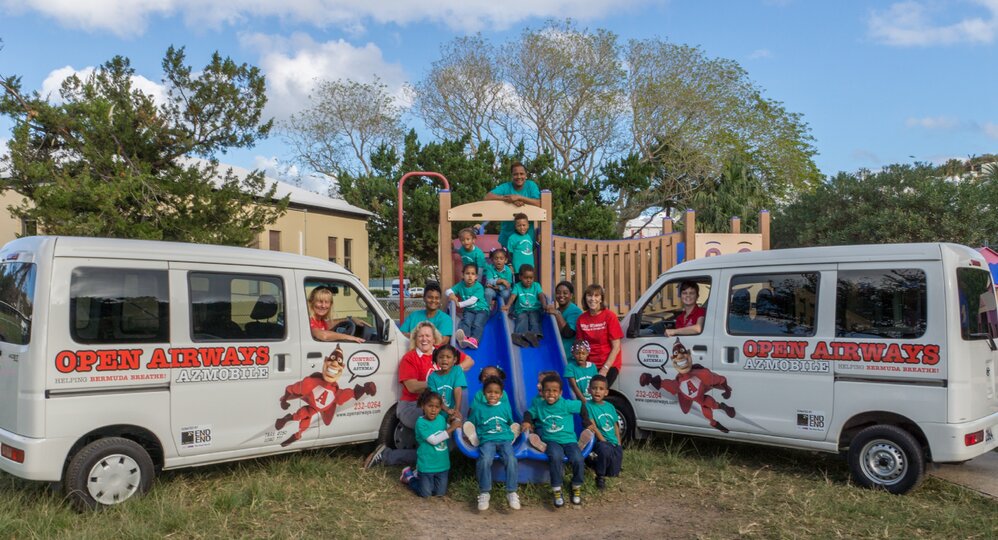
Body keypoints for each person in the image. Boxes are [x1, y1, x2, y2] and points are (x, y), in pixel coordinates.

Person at [365, 322, 441, 468]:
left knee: (440, 447)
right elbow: (412, 387)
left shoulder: (442, 353)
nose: (424, 339)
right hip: (412, 406)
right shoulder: (410, 358)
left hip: (436, 406)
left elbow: (468, 361)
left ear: (434, 338)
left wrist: (453, 373)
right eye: (420, 336)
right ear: (415, 339)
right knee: (437, 445)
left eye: (427, 336)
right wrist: (440, 380)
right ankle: (387, 456)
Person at [522, 373, 591, 508]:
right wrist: (527, 422)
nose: (551, 394)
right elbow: (529, 413)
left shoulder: (566, 404)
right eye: (547, 390)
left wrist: (586, 422)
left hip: (569, 440)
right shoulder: (540, 405)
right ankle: (557, 489)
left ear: (560, 392)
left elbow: (582, 406)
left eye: (554, 391)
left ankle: (576, 486)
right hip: (551, 440)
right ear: (542, 391)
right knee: (555, 456)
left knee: (578, 458)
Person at [467, 375, 521, 511]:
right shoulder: (479, 408)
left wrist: (511, 430)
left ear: (501, 394)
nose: (492, 395)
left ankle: (511, 492)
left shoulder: (504, 407)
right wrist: (468, 432)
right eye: (489, 392)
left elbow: (510, 422)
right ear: (484, 393)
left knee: (511, 459)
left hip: (504, 439)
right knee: (485, 459)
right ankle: (484, 492)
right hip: (487, 439)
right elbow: (471, 422)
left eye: (496, 392)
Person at [399, 391, 462, 498]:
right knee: (426, 494)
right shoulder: (421, 423)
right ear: (423, 406)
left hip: (442, 465)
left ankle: (422, 479)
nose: (433, 409)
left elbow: (447, 431)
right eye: (430, 406)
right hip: (427, 466)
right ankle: (410, 477)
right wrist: (452, 427)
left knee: (439, 493)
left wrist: (451, 422)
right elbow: (434, 440)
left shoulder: (441, 419)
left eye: (437, 407)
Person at [576, 284, 623, 387]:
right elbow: (581, 346)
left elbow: (616, 347)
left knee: (598, 393)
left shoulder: (610, 316)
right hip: (589, 364)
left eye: (596, 296)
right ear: (585, 298)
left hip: (608, 365)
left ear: (601, 298)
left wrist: (605, 369)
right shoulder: (581, 319)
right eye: (589, 295)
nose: (593, 299)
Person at [484, 161, 540, 248]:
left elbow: (539, 203)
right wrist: (507, 200)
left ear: (526, 175)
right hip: (508, 235)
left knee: (525, 261)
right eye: (515, 174)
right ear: (512, 175)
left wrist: (519, 197)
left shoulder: (531, 185)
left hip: (527, 237)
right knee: (508, 260)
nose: (519, 177)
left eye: (521, 174)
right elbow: (487, 197)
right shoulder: (506, 187)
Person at [583, 375, 623, 490]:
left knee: (613, 473)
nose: (597, 391)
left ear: (606, 392)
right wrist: (604, 441)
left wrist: (618, 443)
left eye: (601, 389)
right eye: (594, 388)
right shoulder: (588, 406)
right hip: (599, 441)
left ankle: (592, 462)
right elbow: (593, 426)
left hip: (613, 442)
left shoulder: (610, 406)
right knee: (605, 450)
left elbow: (615, 426)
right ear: (589, 390)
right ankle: (599, 477)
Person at [503, 264, 546, 348]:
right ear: (520, 277)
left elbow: (541, 296)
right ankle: (519, 335)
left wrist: (544, 305)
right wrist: (508, 305)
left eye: (531, 278)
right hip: (521, 310)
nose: (529, 280)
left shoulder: (536, 285)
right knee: (522, 319)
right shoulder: (517, 286)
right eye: (526, 278)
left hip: (534, 309)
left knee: (534, 319)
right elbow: (513, 296)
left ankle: (534, 335)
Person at [448, 263, 489, 349]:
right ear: (463, 275)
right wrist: (451, 294)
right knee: (466, 321)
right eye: (467, 273)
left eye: (473, 274)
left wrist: (460, 304)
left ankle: (475, 340)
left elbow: (473, 300)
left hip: (482, 309)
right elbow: (448, 291)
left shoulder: (479, 286)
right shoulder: (460, 285)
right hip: (469, 310)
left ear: (476, 276)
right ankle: (464, 338)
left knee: (477, 324)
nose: (470, 276)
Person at [426, 344, 466, 421]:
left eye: (448, 357)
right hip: (437, 415)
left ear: (454, 360)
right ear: (436, 359)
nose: (444, 359)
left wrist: (457, 410)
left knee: (457, 423)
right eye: (441, 357)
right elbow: (435, 397)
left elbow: (457, 389)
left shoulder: (457, 370)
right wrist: (447, 410)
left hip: (453, 412)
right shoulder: (432, 377)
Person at [547, 281, 583, 360]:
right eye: (558, 293)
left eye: (565, 293)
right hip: (557, 355)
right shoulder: (556, 311)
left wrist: (557, 314)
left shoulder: (575, 311)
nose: (561, 295)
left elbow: (568, 333)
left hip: (570, 358)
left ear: (571, 295)